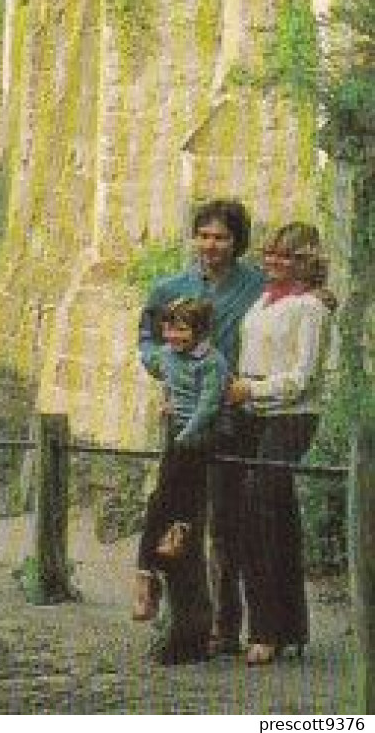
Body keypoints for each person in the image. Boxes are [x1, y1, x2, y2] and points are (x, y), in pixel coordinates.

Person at [138, 198, 264, 655]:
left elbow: (292, 302)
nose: (211, 245)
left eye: (222, 237)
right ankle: (186, 622)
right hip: (183, 417)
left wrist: (320, 295)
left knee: (227, 524)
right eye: (204, 235)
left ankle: (226, 627)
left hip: (232, 420)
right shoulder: (168, 287)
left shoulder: (256, 286)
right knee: (179, 520)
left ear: (237, 242)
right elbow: (148, 342)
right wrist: (168, 370)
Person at [226, 222, 332, 667]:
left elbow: (302, 377)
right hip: (253, 413)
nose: (274, 262)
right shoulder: (265, 301)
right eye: (271, 254)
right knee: (274, 518)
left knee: (260, 509)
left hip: (289, 415)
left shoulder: (309, 308)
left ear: (305, 262)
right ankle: (289, 628)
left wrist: (253, 390)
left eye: (286, 256)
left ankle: (266, 631)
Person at [132, 298, 229, 661]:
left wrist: (186, 433)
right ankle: (149, 569)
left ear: (200, 331)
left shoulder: (213, 362)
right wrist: (145, 327)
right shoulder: (167, 354)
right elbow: (147, 354)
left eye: (182, 329)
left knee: (172, 502)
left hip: (197, 439)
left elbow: (209, 403)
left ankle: (149, 574)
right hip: (176, 436)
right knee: (162, 503)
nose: (174, 335)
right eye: (170, 329)